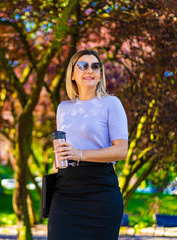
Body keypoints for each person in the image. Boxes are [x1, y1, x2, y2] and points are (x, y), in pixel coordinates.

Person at [48, 49, 128, 240]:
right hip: (65, 192)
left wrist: (80, 154)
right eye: (82, 66)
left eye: (95, 66)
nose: (89, 70)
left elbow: (121, 151)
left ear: (100, 74)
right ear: (72, 75)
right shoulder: (63, 108)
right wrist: (50, 185)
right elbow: (60, 152)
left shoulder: (111, 104)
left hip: (100, 192)